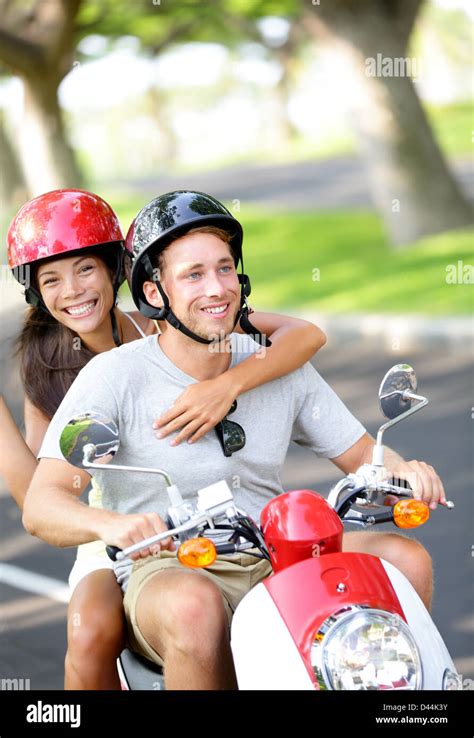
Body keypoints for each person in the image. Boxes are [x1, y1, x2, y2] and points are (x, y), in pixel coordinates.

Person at [22, 190, 446, 691]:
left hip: (276, 552)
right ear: (156, 294)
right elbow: (42, 506)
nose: (217, 288)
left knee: (404, 560)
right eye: (194, 275)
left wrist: (403, 471)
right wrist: (115, 524)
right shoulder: (112, 376)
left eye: (225, 269)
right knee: (193, 605)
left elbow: (362, 456)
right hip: (169, 563)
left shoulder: (273, 364)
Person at [2, 188, 327, 690]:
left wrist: (227, 385)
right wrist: (112, 526)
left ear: (116, 270)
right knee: (91, 628)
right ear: (36, 293)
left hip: (215, 523)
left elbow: (305, 335)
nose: (73, 290)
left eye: (85, 269)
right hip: (120, 530)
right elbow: (42, 499)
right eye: (52, 279)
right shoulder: (46, 369)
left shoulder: (175, 319)